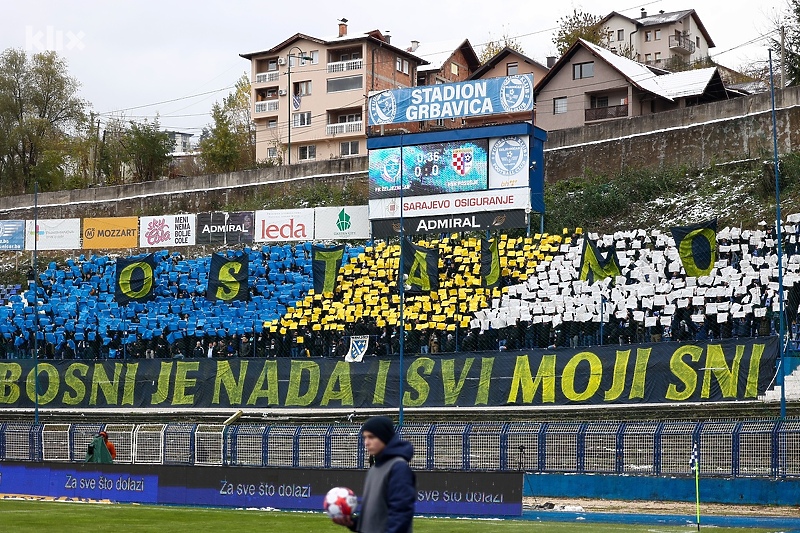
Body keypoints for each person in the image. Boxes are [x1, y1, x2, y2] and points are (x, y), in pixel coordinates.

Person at [333, 416, 415, 533]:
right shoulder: (374, 469)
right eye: (364, 437)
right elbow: (374, 518)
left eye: (371, 437)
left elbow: (401, 514)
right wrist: (353, 523)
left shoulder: (398, 468)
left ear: (384, 438)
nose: (366, 442)